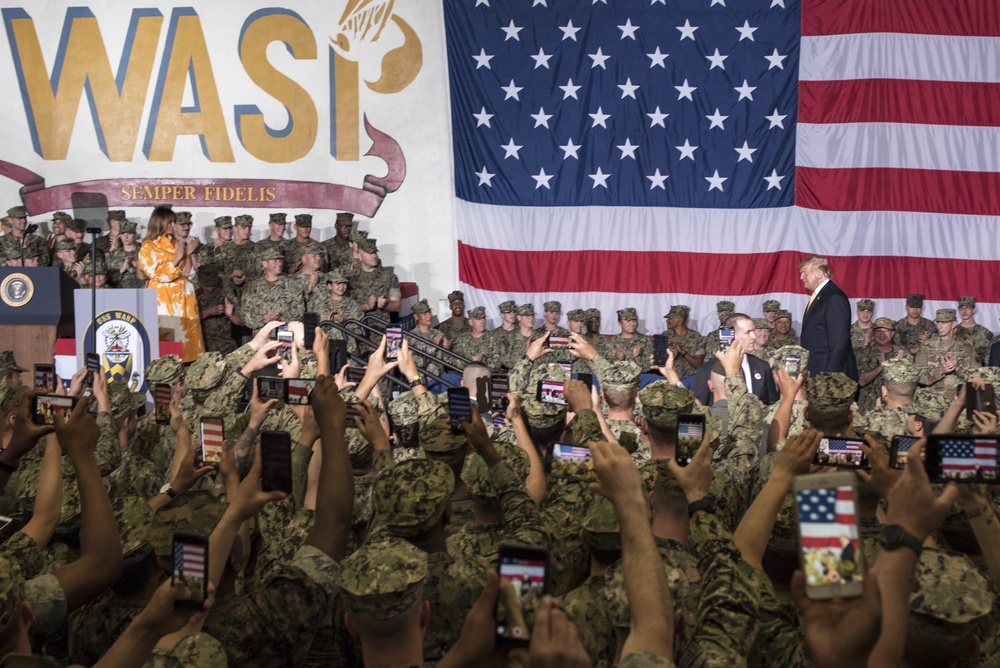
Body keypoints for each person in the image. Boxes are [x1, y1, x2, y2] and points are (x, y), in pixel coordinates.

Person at [137, 205, 204, 362]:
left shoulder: (177, 243)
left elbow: (189, 274)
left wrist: (188, 254)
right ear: (159, 223)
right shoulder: (148, 246)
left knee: (188, 347)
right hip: (164, 300)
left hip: (184, 298)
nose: (173, 226)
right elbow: (158, 274)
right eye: (170, 222)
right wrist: (179, 256)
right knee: (167, 347)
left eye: (174, 222)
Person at [798, 255, 858, 380]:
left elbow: (839, 343)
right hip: (816, 371)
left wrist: (828, 377)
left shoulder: (833, 297)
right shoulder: (822, 295)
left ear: (819, 273)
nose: (801, 277)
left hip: (828, 375)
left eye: (804, 273)